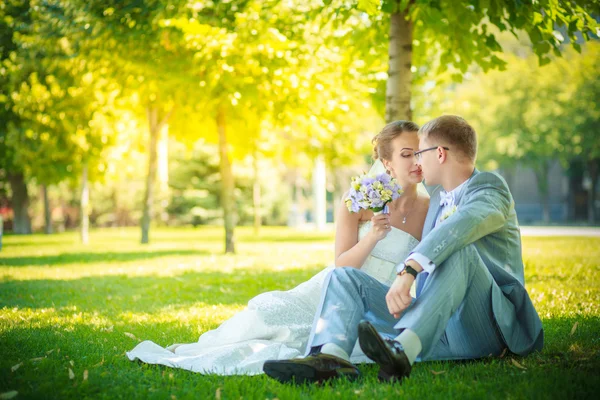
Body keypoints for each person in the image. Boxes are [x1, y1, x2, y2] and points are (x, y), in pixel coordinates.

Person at [126, 120, 430, 375]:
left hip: (383, 302)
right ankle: (202, 348)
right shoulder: (359, 199)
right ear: (387, 162)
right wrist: (372, 237)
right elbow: (343, 267)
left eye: (420, 153)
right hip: (335, 289)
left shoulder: (431, 209)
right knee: (264, 319)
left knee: (313, 342)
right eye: (407, 154)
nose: (417, 161)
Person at [263, 115, 544, 384]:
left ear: (440, 154)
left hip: (486, 327)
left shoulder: (489, 189)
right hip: (436, 327)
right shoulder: (436, 200)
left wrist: (410, 269)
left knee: (461, 250)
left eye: (420, 152)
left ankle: (402, 351)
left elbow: (463, 224)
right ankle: (331, 358)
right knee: (343, 277)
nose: (418, 162)